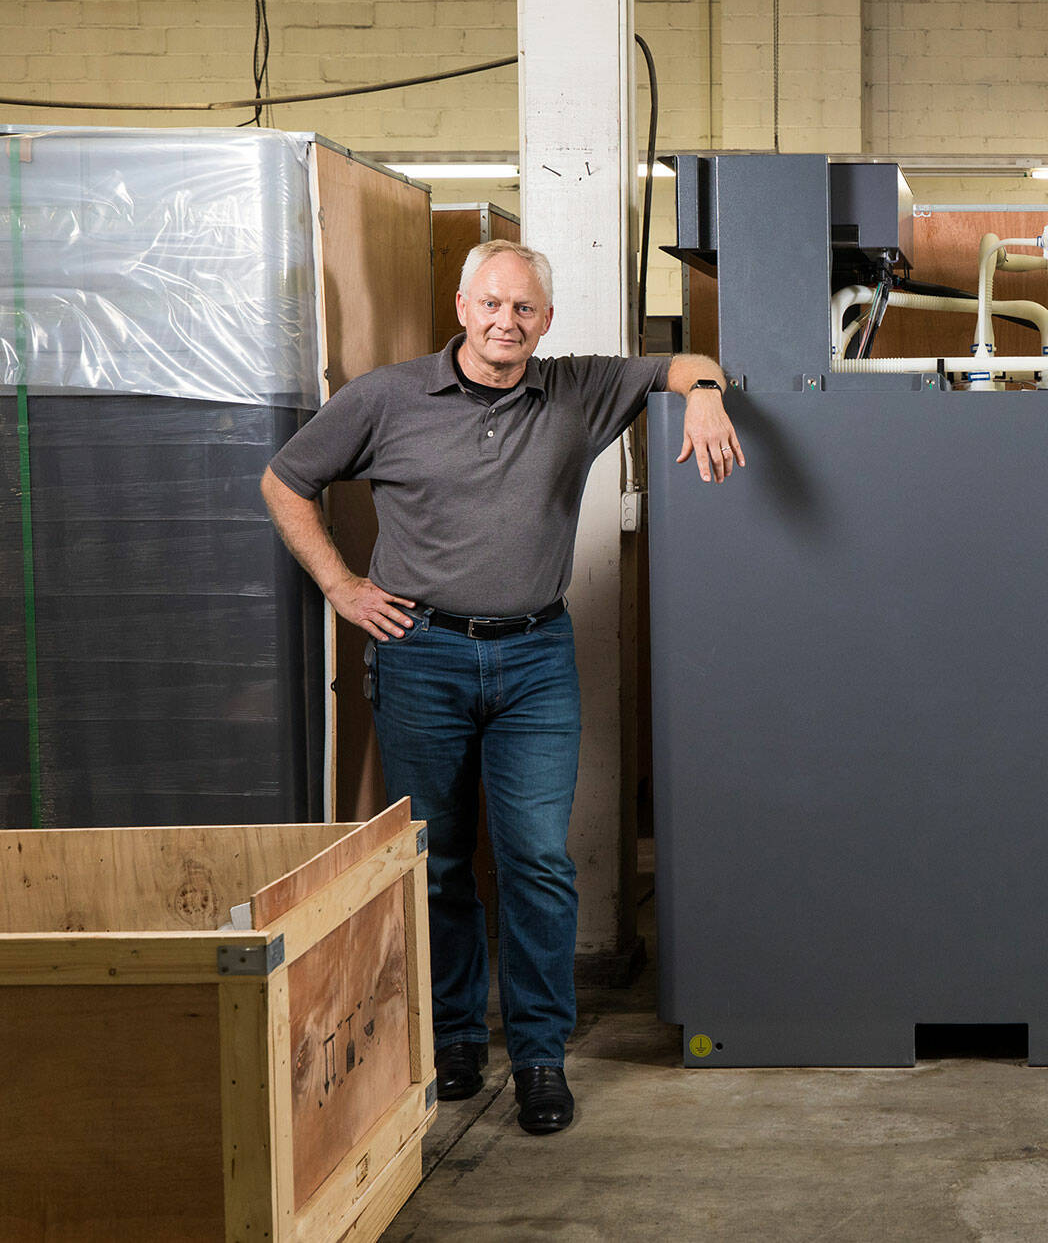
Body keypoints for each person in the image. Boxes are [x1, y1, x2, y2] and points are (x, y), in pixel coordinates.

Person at [261, 239, 744, 1135]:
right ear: (461, 306)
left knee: (537, 862)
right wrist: (342, 587)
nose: (505, 322)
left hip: (534, 661)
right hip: (421, 655)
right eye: (491, 304)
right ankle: (452, 1040)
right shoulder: (386, 397)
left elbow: (685, 362)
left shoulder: (577, 389)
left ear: (546, 321)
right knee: (439, 863)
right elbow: (286, 480)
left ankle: (537, 1057)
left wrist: (707, 399)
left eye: (524, 309)